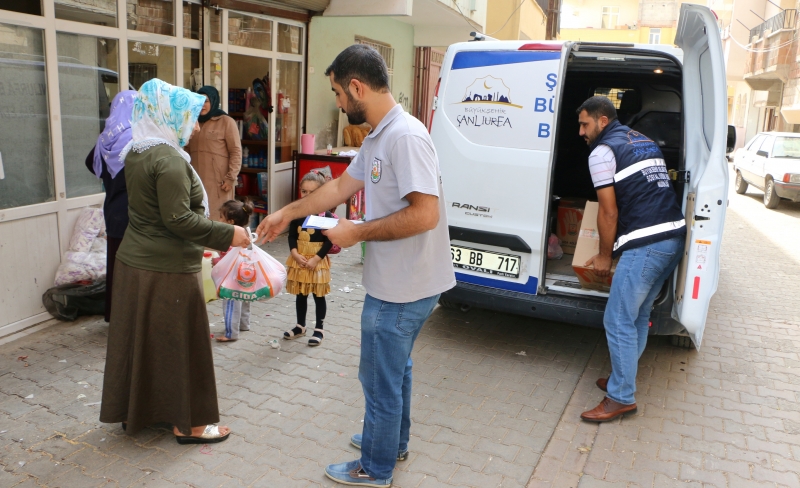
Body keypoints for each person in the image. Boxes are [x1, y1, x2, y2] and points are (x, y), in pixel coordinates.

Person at [256, 44, 455, 488]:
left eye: (338, 93)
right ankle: (391, 443)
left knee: (379, 378)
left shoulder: (404, 137)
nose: (338, 102)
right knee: (395, 371)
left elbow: (426, 214)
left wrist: (357, 232)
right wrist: (286, 213)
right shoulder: (380, 135)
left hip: (403, 288)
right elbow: (339, 188)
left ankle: (375, 468)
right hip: (401, 282)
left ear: (357, 87)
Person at [99, 79, 250, 443]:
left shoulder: (137, 151)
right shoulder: (167, 159)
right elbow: (178, 220)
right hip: (167, 269)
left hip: (136, 264)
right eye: (190, 118)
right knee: (182, 346)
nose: (195, 128)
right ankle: (191, 424)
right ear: (168, 116)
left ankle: (136, 413)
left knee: (146, 343)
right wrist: (229, 234)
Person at [575, 96, 686, 422]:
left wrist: (604, 256)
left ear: (602, 121)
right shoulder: (642, 140)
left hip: (647, 244)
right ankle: (620, 379)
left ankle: (621, 397)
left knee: (617, 319)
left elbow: (608, 212)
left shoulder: (602, 153)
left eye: (584, 124)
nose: (581, 132)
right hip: (673, 237)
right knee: (637, 315)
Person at [84, 90, 137, 322]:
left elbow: (89, 163)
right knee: (132, 267)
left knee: (116, 264)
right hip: (134, 212)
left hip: (113, 210)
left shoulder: (106, 138)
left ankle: (115, 316)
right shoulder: (136, 139)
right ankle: (130, 319)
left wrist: (108, 177)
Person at [283, 171, 333, 347]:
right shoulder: (297, 213)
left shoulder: (325, 215)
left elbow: (330, 240)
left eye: (312, 192)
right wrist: (295, 254)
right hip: (300, 260)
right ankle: (300, 326)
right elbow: (291, 236)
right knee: (301, 293)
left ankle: (319, 329)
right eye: (304, 191)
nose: (307, 195)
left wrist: (317, 259)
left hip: (317, 262)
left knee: (318, 295)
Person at [186, 85, 242, 223]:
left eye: (206, 101)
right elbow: (186, 150)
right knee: (199, 219)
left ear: (213, 100)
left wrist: (230, 178)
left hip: (219, 184)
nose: (202, 105)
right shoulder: (192, 122)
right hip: (196, 182)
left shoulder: (226, 122)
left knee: (219, 219)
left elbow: (235, 151)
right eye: (199, 101)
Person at [214, 199, 255, 343]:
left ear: (230, 221)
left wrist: (216, 261)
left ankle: (231, 333)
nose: (219, 220)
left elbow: (227, 260)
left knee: (231, 303)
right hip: (245, 276)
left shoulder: (230, 237)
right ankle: (244, 324)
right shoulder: (246, 234)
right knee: (244, 300)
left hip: (232, 279)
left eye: (221, 217)